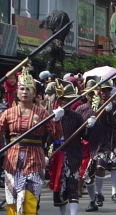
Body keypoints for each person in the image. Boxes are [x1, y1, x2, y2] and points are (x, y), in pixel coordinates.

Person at [0, 67, 64, 215]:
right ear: (17, 91)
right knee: (13, 200)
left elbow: (56, 135)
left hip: (35, 159)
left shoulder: (42, 113)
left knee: (29, 200)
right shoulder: (8, 113)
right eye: (22, 88)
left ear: (35, 93)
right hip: (12, 160)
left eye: (29, 89)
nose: (25, 92)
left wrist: (57, 120)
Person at [49, 79, 96, 215]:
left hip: (73, 156)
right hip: (58, 156)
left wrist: (90, 127)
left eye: (71, 99)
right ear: (61, 99)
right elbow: (48, 136)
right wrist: (55, 121)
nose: (69, 102)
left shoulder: (76, 116)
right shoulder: (52, 116)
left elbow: (85, 136)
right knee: (60, 188)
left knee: (73, 186)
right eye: (66, 99)